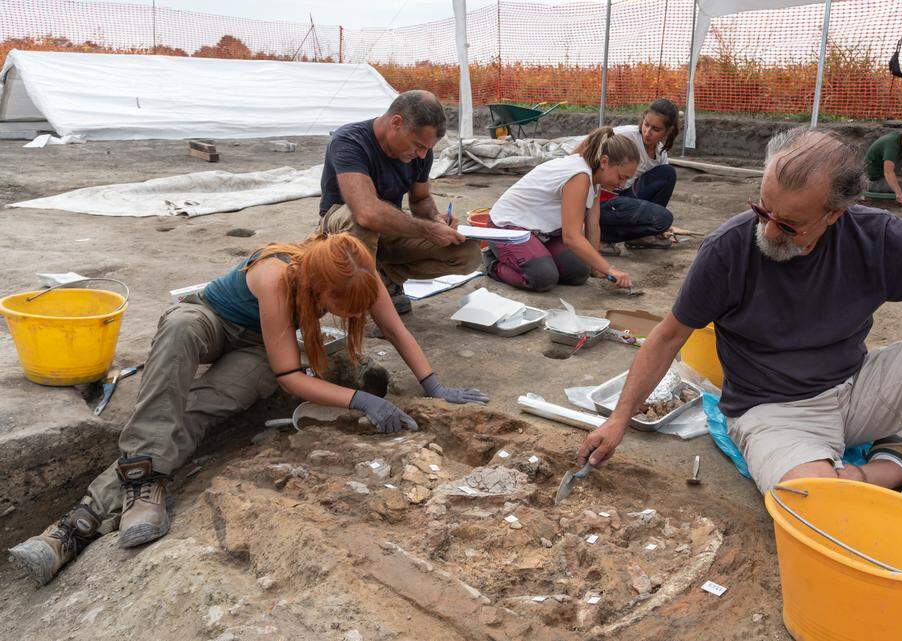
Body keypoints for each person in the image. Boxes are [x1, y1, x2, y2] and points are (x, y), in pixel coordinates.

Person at [577, 127, 902, 601]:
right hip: (772, 410)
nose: (769, 231)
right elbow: (668, 336)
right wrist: (619, 420)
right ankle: (898, 464)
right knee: (808, 512)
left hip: (855, 388)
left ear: (837, 213)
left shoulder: (876, 236)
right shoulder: (730, 248)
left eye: (790, 224)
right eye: (763, 210)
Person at [8, 234, 487, 586]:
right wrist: (361, 399)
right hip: (214, 322)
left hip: (257, 347)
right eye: (335, 307)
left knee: (196, 409)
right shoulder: (277, 275)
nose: (345, 316)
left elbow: (398, 332)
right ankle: (143, 484)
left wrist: (435, 385)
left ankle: (74, 528)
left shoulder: (360, 276)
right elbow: (291, 377)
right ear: (317, 287)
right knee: (179, 331)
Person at [317, 89, 481, 314]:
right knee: (359, 221)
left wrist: (436, 218)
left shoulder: (421, 153)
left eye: (427, 149)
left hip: (388, 229)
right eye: (419, 146)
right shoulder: (349, 141)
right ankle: (357, 295)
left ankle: (386, 279)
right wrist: (428, 231)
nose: (422, 155)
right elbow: (367, 212)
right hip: (340, 229)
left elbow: (421, 199)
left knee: (467, 254)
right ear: (396, 123)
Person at [484, 127, 640, 292]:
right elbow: (571, 236)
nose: (622, 185)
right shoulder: (579, 176)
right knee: (542, 278)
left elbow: (593, 224)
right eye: (621, 177)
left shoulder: (595, 178)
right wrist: (609, 269)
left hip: (541, 233)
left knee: (580, 272)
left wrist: (598, 268)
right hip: (507, 227)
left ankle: (534, 256)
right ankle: (492, 263)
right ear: (604, 162)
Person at [599, 99, 681, 254]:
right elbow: (589, 150)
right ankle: (600, 236)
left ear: (668, 131)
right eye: (646, 124)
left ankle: (641, 235)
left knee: (667, 173)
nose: (647, 132)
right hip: (604, 200)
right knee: (662, 219)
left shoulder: (661, 152)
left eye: (656, 129)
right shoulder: (624, 136)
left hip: (626, 197)